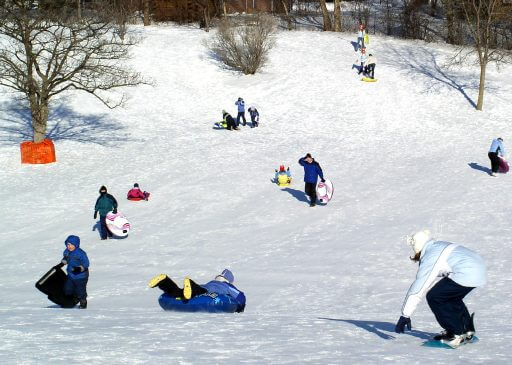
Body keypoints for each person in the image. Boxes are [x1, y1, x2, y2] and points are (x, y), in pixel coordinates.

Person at [395, 230, 487, 348]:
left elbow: (419, 287)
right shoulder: (437, 246)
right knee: (451, 297)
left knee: (435, 297)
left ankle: (454, 335)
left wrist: (405, 315)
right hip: (477, 269)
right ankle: (466, 331)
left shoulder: (431, 255)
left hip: (467, 271)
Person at [149, 269, 246, 312]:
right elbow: (241, 297)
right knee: (198, 291)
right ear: (229, 280)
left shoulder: (212, 282)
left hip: (202, 286)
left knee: (179, 292)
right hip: (206, 291)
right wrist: (240, 308)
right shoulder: (227, 286)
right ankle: (191, 285)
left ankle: (164, 282)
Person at [60, 235, 90, 309]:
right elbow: (66, 258)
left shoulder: (81, 253)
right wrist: (64, 261)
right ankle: (74, 298)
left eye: (71, 245)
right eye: (68, 244)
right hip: (71, 275)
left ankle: (83, 302)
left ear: (76, 245)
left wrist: (79, 268)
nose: (69, 246)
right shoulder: (67, 251)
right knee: (67, 289)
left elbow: (86, 263)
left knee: (80, 290)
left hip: (81, 276)